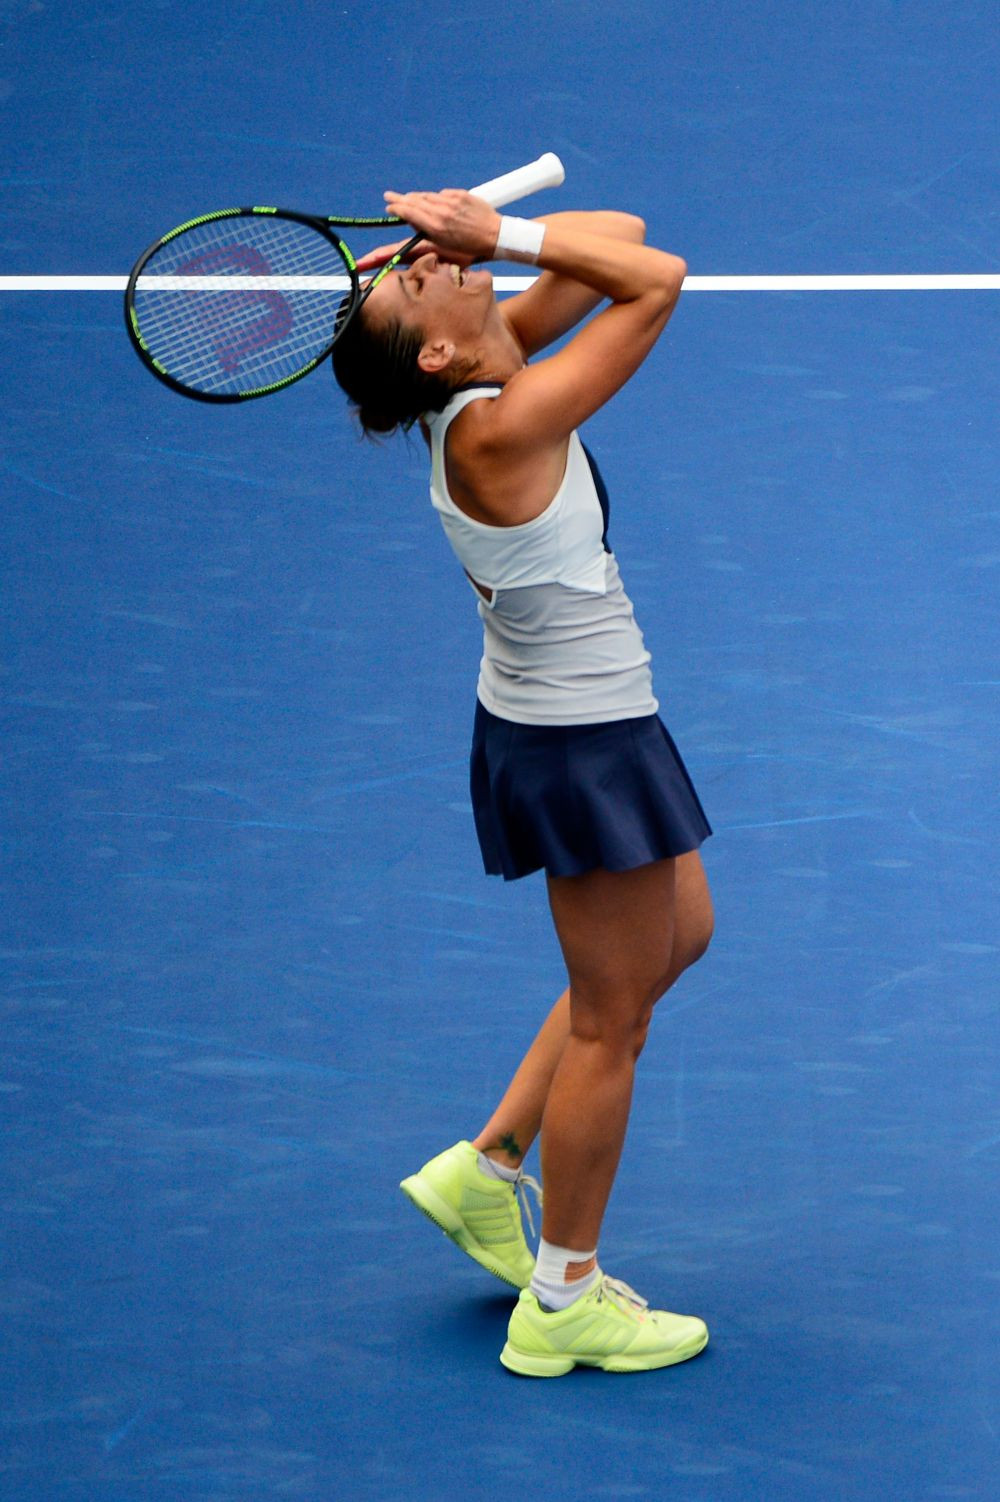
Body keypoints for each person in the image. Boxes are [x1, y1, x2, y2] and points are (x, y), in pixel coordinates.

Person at [333, 188, 715, 1377]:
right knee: (612, 1018)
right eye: (401, 281)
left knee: (673, 938)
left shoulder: (491, 368)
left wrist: (463, 228)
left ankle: (488, 1163)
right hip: (581, 747)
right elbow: (659, 281)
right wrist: (489, 238)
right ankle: (564, 1300)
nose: (412, 263)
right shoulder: (503, 426)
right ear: (437, 351)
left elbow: (629, 227)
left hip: (571, 728)